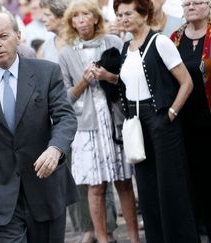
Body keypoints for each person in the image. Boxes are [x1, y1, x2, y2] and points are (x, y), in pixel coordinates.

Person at [0, 12, 79, 243]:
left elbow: (65, 117)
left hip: (45, 188)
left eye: (3, 36)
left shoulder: (46, 72)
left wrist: (55, 149)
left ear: (18, 36)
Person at [114, 0, 199, 242]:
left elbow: (187, 83)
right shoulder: (125, 47)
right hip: (136, 122)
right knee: (147, 187)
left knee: (170, 186)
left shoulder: (160, 42)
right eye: (120, 14)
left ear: (143, 13)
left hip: (160, 117)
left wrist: (171, 113)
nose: (124, 18)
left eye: (129, 13)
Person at [58, 1, 139, 243]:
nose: (81, 20)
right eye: (76, 16)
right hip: (88, 128)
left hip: (115, 123)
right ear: (71, 22)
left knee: (124, 183)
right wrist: (83, 81)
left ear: (95, 18)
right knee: (96, 187)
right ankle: (103, 239)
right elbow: (64, 98)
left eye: (86, 15)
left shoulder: (113, 43)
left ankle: (135, 239)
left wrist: (107, 76)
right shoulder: (66, 54)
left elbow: (129, 82)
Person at [170, 0, 211, 240]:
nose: (191, 6)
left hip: (208, 117)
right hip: (184, 120)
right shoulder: (174, 38)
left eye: (198, 2)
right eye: (187, 3)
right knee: (191, 177)